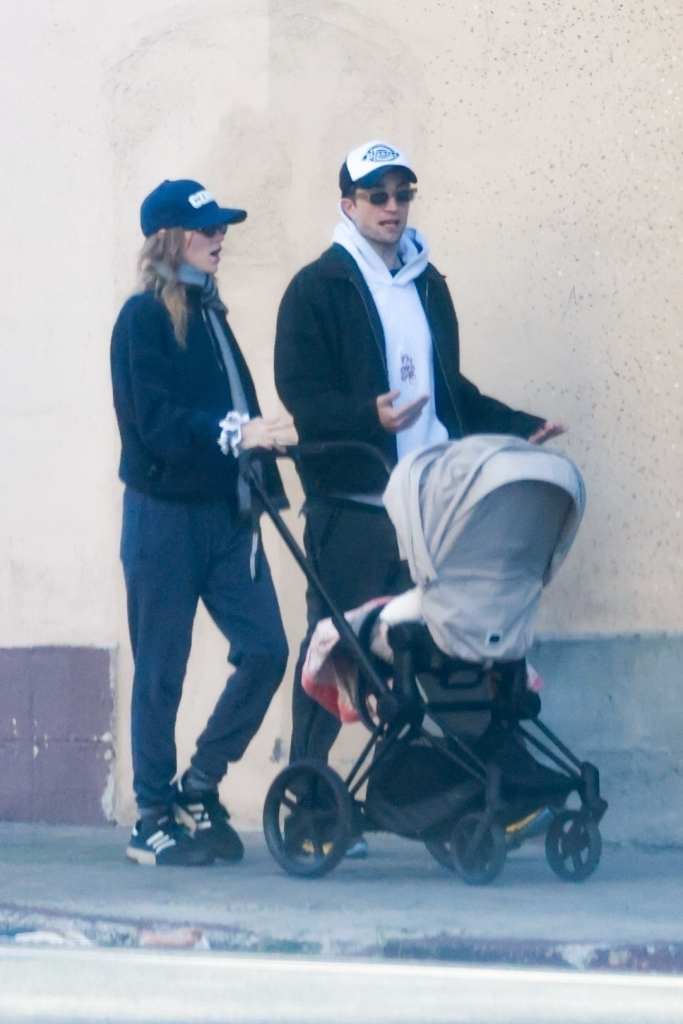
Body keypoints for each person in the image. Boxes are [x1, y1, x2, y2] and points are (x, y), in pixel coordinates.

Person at [274, 140, 564, 855]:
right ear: (347, 204)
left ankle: (476, 797)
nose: (393, 208)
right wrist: (363, 419)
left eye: (403, 195)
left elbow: (450, 394)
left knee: (445, 658)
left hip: (427, 519)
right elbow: (298, 394)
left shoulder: (426, 283)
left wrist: (520, 426)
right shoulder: (319, 287)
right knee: (333, 647)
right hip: (355, 511)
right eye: (378, 196)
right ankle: (308, 812)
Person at [111, 179, 293, 866]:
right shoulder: (142, 320)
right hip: (162, 520)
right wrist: (237, 433)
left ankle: (201, 782)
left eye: (222, 228)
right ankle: (151, 819)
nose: (220, 238)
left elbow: (238, 406)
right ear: (168, 239)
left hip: (225, 517)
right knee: (161, 668)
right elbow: (153, 427)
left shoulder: (210, 312)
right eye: (206, 229)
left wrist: (268, 445)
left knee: (268, 650)